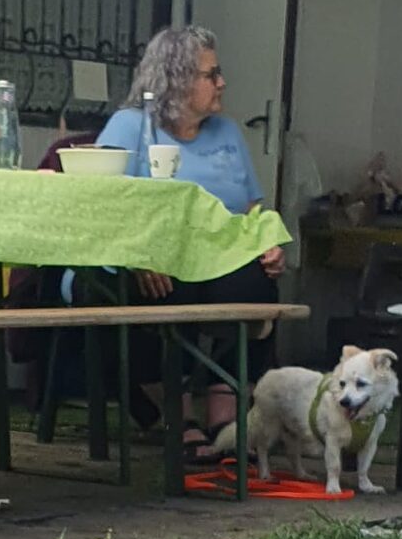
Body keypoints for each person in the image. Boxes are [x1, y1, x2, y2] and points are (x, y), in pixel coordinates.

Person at [91, 26, 286, 459]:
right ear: (176, 80)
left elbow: (252, 210)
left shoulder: (227, 132)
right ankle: (176, 418)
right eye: (211, 74)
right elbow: (101, 203)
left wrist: (267, 245)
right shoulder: (130, 126)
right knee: (160, 290)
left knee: (257, 285)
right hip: (151, 261)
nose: (222, 83)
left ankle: (224, 414)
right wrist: (138, 256)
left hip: (216, 260)